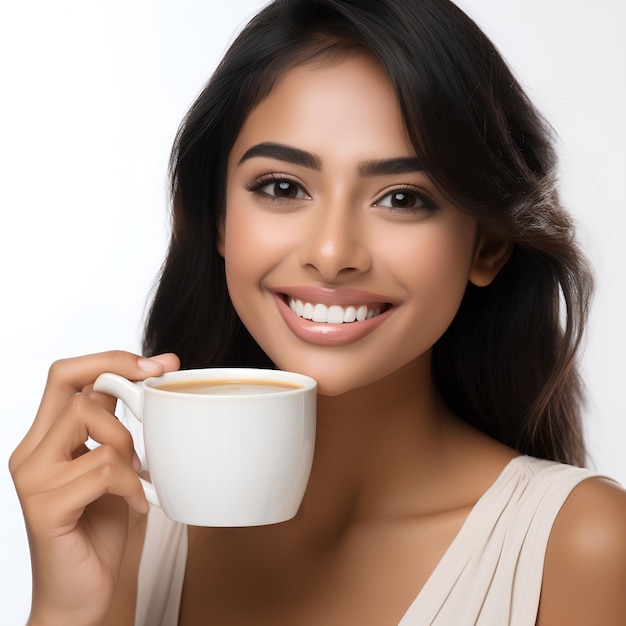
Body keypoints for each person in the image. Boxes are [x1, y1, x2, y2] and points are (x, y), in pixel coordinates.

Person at [9, 0, 626, 624]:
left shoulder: (580, 548)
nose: (332, 255)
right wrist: (65, 608)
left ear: (487, 244)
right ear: (219, 217)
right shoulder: (127, 535)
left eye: (403, 198)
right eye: (282, 187)